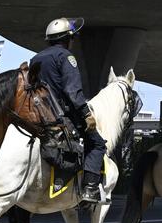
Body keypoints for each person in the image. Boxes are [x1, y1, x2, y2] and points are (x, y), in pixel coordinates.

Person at [30, 17, 108, 203]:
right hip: (61, 116)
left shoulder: (35, 58)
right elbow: (72, 91)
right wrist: (86, 114)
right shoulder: (66, 57)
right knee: (97, 144)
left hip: (36, 115)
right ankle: (90, 188)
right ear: (67, 39)